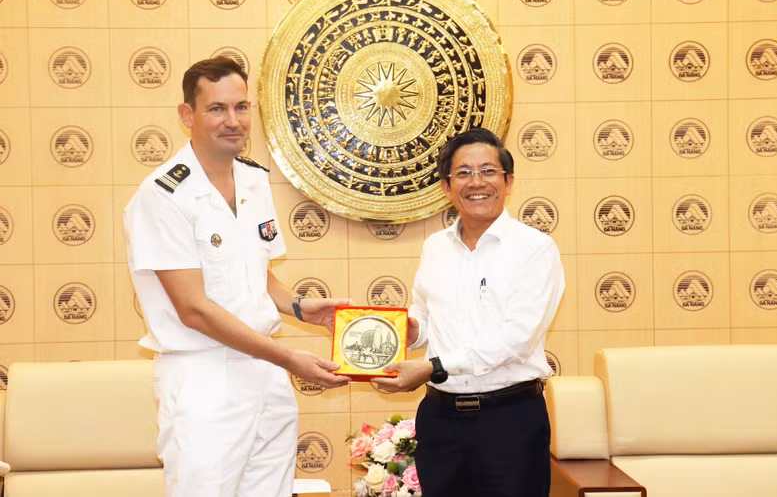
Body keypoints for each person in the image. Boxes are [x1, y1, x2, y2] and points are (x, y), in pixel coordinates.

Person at [124, 57, 350, 497]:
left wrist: (300, 306)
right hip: (205, 377)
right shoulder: (163, 195)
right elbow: (194, 310)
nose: (233, 121)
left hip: (265, 373)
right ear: (187, 115)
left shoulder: (252, 181)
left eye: (242, 107)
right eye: (217, 109)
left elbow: (256, 276)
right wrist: (289, 358)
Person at [375, 128, 565, 497]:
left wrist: (433, 367)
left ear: (508, 181)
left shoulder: (535, 249)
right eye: (463, 173)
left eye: (488, 171)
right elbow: (425, 317)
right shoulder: (435, 247)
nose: (476, 182)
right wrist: (405, 332)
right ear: (446, 187)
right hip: (440, 421)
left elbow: (516, 340)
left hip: (509, 421)